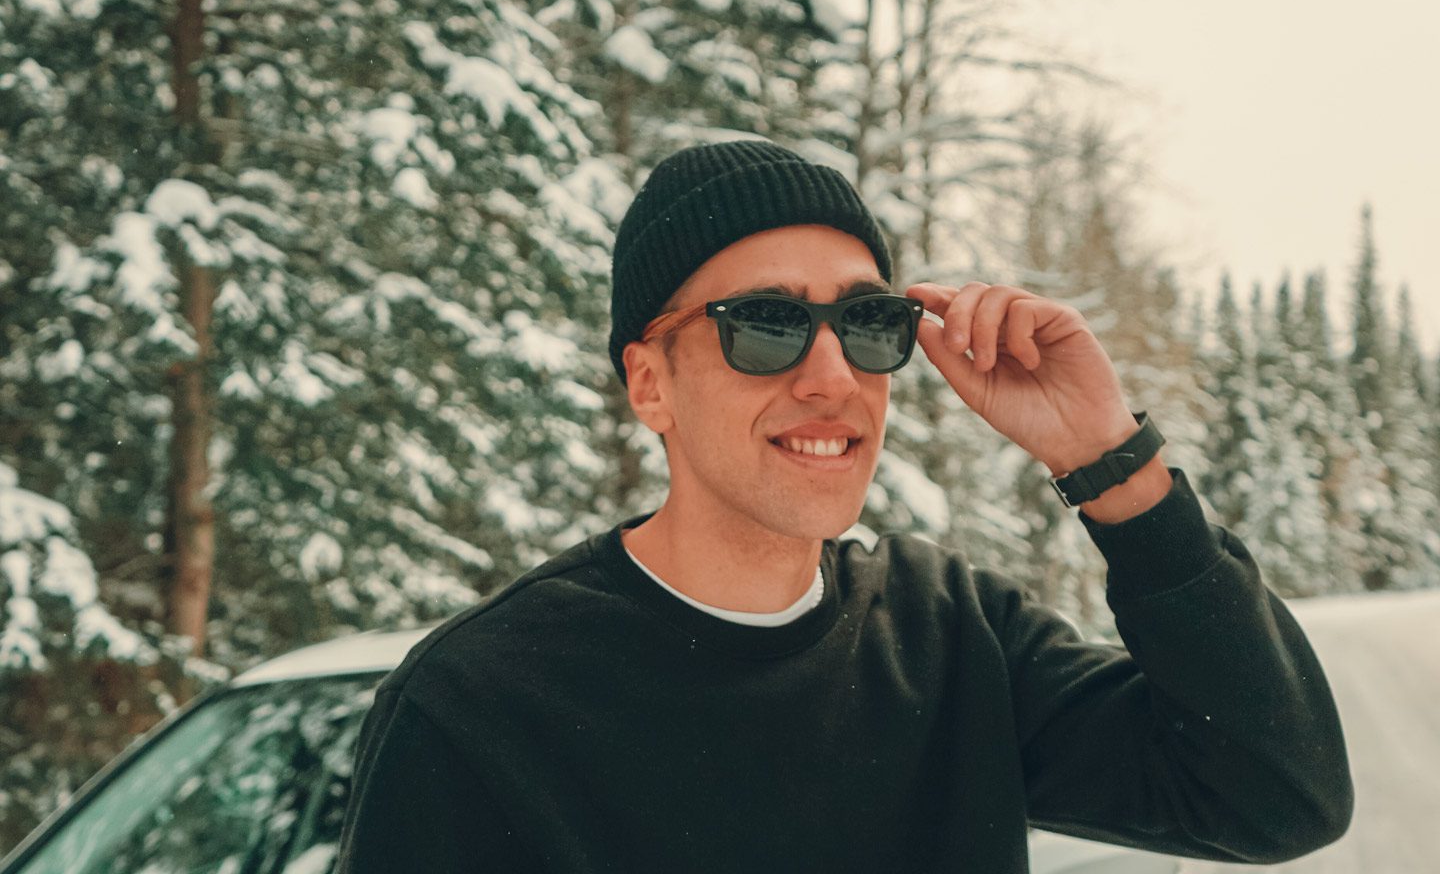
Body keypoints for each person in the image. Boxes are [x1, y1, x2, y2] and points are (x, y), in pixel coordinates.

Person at [336, 140, 1352, 872]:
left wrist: (1108, 460)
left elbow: (1276, 795)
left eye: (869, 323)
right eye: (765, 323)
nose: (832, 377)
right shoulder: (483, 708)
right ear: (649, 384)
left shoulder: (948, 637)